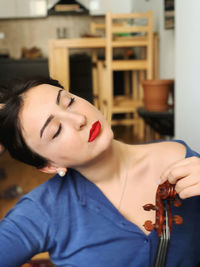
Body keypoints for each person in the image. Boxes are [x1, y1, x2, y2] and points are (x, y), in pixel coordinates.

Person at [0, 78, 200, 267]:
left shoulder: (181, 160)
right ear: (49, 165)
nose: (79, 119)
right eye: (57, 130)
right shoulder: (43, 210)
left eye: (69, 102)